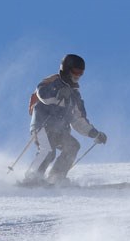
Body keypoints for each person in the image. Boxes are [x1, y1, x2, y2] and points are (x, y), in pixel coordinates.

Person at [23, 54, 107, 186]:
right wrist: (57, 92)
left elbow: (79, 120)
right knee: (48, 151)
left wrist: (94, 133)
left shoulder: (75, 95)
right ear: (66, 69)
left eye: (81, 73)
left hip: (59, 130)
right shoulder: (51, 82)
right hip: (42, 126)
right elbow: (43, 95)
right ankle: (32, 178)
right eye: (75, 71)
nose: (78, 76)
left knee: (73, 146)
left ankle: (56, 177)